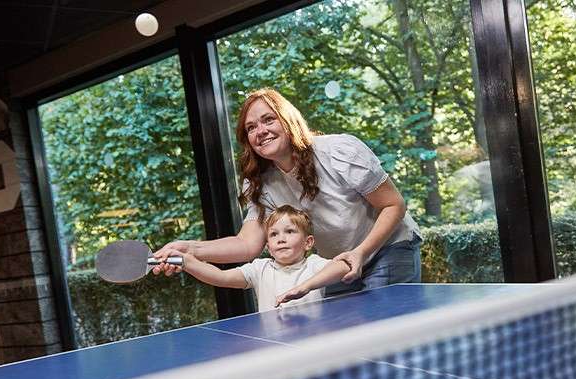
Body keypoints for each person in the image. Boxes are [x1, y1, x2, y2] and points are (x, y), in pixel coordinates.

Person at [153, 88, 421, 294]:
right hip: (336, 263)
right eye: (251, 128)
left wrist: (360, 253)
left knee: (385, 337)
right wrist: (188, 249)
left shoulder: (339, 150)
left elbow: (393, 204)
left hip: (387, 248)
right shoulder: (260, 182)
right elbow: (247, 245)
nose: (260, 131)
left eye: (268, 120)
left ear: (287, 120)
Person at [171, 205, 351, 311]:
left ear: (308, 242)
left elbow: (343, 267)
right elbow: (221, 277)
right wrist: (187, 262)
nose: (281, 239)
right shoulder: (260, 269)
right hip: (273, 345)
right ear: (268, 247)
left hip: (312, 342)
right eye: (273, 234)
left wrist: (305, 287)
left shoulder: (313, 264)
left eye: (289, 231)